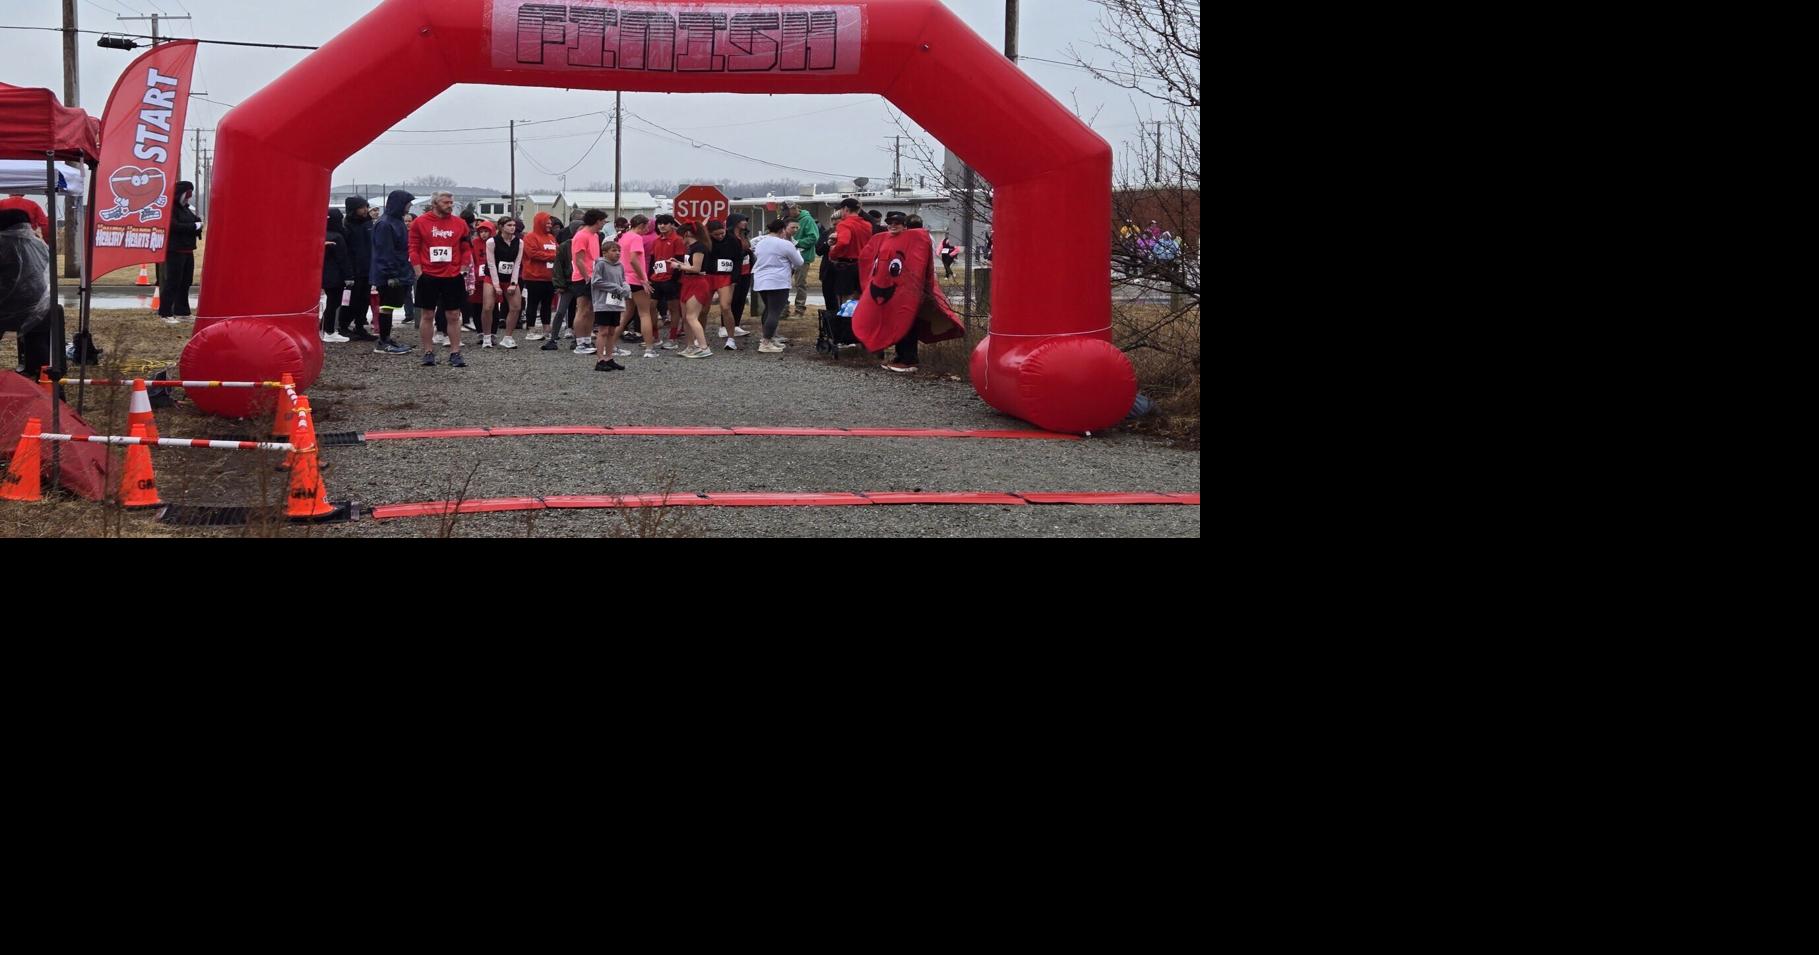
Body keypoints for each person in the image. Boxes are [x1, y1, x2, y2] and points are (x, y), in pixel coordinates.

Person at [408, 190, 470, 367]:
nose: (450, 205)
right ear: (435, 204)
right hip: (428, 274)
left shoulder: (460, 223)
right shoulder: (420, 222)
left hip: (453, 275)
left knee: (453, 315)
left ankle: (455, 352)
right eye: (446, 203)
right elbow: (413, 248)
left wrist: (463, 270)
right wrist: (419, 271)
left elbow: (466, 248)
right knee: (427, 314)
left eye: (451, 202)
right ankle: (428, 352)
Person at [0, 208, 51, 376]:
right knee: (38, 343)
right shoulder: (39, 243)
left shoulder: (3, 243)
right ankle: (41, 375)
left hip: (5, 304)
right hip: (37, 304)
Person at [368, 188, 417, 355]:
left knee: (391, 305)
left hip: (399, 271)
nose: (409, 206)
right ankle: (383, 341)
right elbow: (384, 252)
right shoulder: (385, 224)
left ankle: (387, 338)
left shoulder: (397, 221)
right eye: (408, 203)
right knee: (386, 306)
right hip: (389, 275)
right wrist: (391, 274)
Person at [751, 217, 803, 353]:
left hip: (761, 279)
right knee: (775, 312)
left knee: (768, 310)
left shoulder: (761, 242)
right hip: (778, 281)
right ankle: (766, 342)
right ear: (782, 230)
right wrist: (797, 252)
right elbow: (799, 262)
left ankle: (768, 337)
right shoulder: (785, 244)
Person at [564, 209, 607, 355]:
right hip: (583, 278)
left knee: (590, 310)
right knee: (582, 309)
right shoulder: (581, 235)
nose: (604, 223)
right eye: (603, 220)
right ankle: (580, 341)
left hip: (594, 276)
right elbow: (579, 259)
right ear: (597, 221)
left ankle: (587, 340)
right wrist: (587, 277)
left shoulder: (595, 235)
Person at [159, 181, 202, 324]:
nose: (188, 198)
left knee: (185, 282)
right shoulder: (171, 209)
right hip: (175, 250)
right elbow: (174, 226)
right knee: (173, 282)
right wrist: (193, 226)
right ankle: (165, 312)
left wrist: (198, 224)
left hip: (188, 250)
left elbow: (195, 221)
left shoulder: (186, 209)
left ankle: (182, 311)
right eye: (187, 195)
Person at [671, 220, 715, 358]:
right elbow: (691, 266)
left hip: (697, 283)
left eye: (680, 236)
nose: (678, 239)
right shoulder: (691, 247)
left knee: (691, 316)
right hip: (688, 281)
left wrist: (678, 266)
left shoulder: (699, 247)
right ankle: (690, 346)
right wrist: (680, 264)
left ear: (687, 234)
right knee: (685, 317)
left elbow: (696, 268)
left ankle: (703, 347)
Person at [336, 196, 377, 341]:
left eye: (366, 206)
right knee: (350, 300)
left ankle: (360, 326)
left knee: (364, 300)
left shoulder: (368, 223)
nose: (365, 210)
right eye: (362, 207)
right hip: (353, 270)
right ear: (354, 209)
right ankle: (343, 326)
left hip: (367, 268)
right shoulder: (346, 226)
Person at [645, 214, 687, 350]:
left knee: (673, 308)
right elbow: (653, 260)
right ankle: (655, 336)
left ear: (671, 225)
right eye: (660, 223)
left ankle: (673, 337)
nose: (662, 226)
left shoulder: (677, 240)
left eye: (665, 223)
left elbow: (680, 259)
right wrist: (650, 276)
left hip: (671, 279)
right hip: (657, 278)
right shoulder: (656, 241)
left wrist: (673, 279)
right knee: (651, 306)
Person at [589, 239, 631, 371]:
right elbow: (596, 281)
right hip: (603, 303)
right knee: (603, 330)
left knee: (612, 331)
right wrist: (615, 287)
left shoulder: (620, 266)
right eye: (614, 250)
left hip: (616, 303)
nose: (617, 253)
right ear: (605, 253)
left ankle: (609, 357)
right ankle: (600, 359)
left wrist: (625, 287)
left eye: (619, 250)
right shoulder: (600, 265)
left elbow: (623, 279)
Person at [615, 214, 654, 358]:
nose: (648, 229)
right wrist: (644, 279)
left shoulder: (624, 236)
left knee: (625, 314)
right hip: (636, 279)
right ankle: (649, 349)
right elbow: (633, 260)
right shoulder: (637, 238)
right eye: (647, 227)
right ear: (642, 226)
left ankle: (611, 345)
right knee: (645, 313)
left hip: (624, 279)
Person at [485, 217, 525, 347]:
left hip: (510, 277)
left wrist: (513, 283)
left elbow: (517, 263)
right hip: (492, 276)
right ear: (501, 227)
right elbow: (491, 264)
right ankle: (486, 336)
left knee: (516, 307)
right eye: (509, 225)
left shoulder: (519, 242)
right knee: (488, 306)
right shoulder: (492, 242)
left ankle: (508, 337)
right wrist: (496, 286)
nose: (512, 227)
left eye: (514, 225)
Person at [710, 216, 748, 349]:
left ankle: (731, 338)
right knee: (703, 309)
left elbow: (738, 260)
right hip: (709, 276)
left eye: (722, 233)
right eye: (716, 235)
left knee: (725, 306)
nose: (720, 236)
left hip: (726, 276)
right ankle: (699, 338)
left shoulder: (732, 240)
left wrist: (734, 279)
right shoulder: (707, 241)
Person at [520, 212, 558, 340]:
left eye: (550, 223)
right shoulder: (530, 237)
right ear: (540, 223)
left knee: (547, 304)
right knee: (533, 303)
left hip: (549, 277)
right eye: (547, 223)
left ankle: (547, 329)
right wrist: (553, 257)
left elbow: (557, 251)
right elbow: (533, 254)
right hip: (534, 276)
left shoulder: (551, 237)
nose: (549, 225)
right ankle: (531, 329)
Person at [321, 208, 354, 343]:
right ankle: (329, 331)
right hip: (337, 275)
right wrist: (349, 276)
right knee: (334, 304)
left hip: (325, 275)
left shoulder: (322, 235)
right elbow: (343, 258)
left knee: (330, 303)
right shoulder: (337, 236)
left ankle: (323, 328)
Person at [828, 197, 869, 306]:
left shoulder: (844, 224)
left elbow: (844, 242)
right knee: (859, 298)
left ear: (845, 209)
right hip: (862, 265)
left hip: (846, 265)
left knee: (844, 300)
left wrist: (833, 253)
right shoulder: (867, 225)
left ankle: (845, 322)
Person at [725, 213, 756, 341]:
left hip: (746, 271)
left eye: (745, 220)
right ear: (735, 222)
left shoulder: (744, 235)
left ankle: (736, 324)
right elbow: (731, 253)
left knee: (741, 299)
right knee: (731, 299)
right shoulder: (729, 237)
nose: (745, 223)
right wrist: (745, 252)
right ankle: (724, 326)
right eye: (742, 220)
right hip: (734, 272)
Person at [785, 200, 818, 315]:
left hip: (802, 257)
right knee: (784, 283)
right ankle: (784, 309)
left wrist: (797, 243)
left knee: (800, 284)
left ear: (794, 209)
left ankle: (799, 309)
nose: (786, 214)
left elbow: (813, 237)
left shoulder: (807, 220)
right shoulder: (786, 220)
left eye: (788, 211)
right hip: (787, 257)